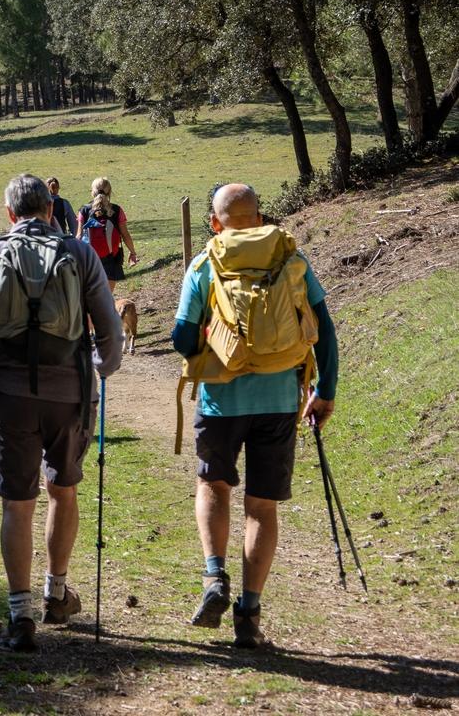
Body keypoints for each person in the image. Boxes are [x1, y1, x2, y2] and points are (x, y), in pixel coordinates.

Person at [0, 174, 123, 653]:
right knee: (63, 491)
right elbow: (109, 328)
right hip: (68, 392)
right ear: (53, 209)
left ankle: (18, 612)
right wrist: (98, 370)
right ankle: (55, 592)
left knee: (16, 502)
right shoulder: (79, 253)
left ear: (9, 214)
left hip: (9, 392)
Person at [172, 183, 338, 649]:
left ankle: (213, 578)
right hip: (281, 398)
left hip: (221, 401)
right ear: (260, 216)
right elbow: (323, 327)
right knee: (261, 506)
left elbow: (183, 340)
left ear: (215, 221)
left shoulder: (206, 263)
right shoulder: (291, 259)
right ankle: (249, 613)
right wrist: (324, 390)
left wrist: (208, 335)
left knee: (213, 485)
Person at [76, 177, 137, 293]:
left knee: (89, 297)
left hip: (89, 258)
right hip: (111, 257)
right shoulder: (117, 210)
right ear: (109, 192)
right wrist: (133, 253)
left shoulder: (84, 210)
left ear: (92, 192)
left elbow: (78, 236)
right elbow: (125, 235)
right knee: (107, 296)